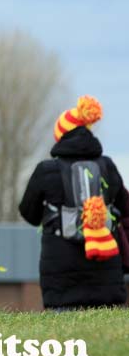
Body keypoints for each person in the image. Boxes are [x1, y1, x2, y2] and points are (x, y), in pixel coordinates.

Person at [19, 95, 128, 310]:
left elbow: (28, 214)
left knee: (68, 342)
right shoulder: (108, 167)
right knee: (106, 341)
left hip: (61, 277)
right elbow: (126, 209)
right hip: (105, 273)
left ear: (61, 137)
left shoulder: (46, 170)